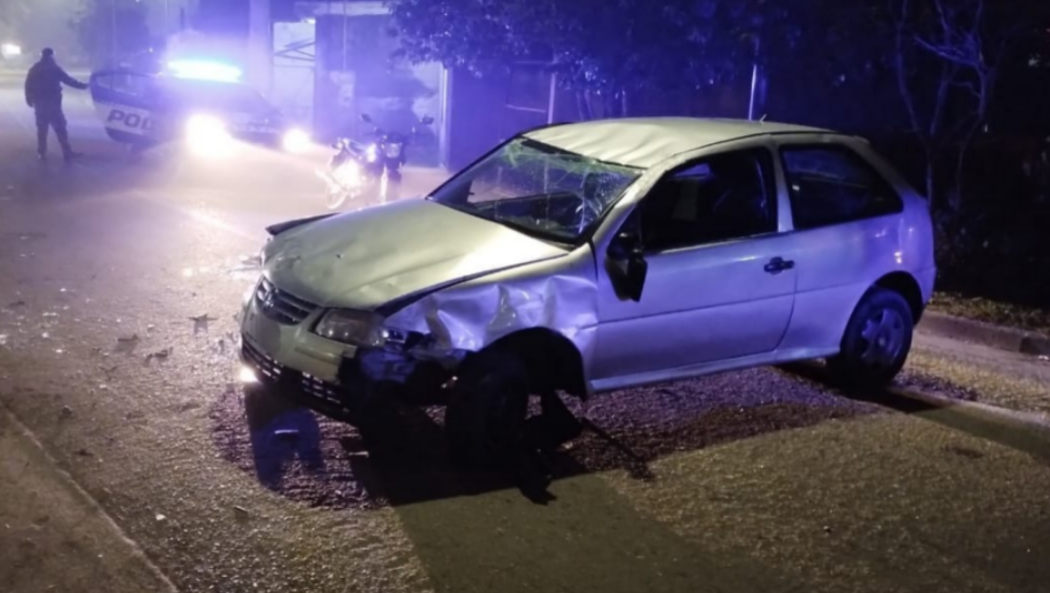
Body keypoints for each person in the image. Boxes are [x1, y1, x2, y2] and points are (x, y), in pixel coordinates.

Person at [24, 48, 89, 162]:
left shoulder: (35, 68)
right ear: (51, 56)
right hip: (53, 104)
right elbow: (68, 80)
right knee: (60, 128)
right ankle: (67, 152)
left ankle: (41, 153)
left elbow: (28, 85)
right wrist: (83, 86)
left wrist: (29, 100)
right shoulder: (54, 68)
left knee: (42, 130)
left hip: (40, 104)